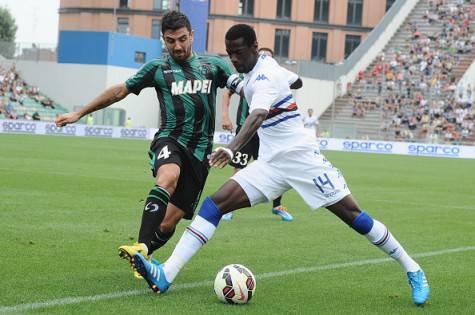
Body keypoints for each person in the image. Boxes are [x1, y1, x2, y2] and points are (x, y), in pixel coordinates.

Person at [132, 24, 430, 306]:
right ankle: (166, 274)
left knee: (355, 216)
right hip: (271, 164)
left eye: (240, 52)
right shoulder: (262, 69)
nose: (235, 59)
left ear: (254, 48)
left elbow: (258, 114)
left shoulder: (264, 77)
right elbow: (295, 80)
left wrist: (232, 147)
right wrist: (288, 84)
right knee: (214, 205)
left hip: (302, 158)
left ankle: (413, 268)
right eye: (230, 53)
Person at [55, 11, 242, 279]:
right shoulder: (157, 69)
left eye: (181, 39)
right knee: (168, 177)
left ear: (192, 35)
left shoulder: (213, 65)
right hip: (170, 140)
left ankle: (146, 255)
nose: (176, 46)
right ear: (163, 39)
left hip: (201, 153)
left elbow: (241, 86)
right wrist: (80, 113)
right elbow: (120, 91)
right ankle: (141, 248)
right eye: (170, 40)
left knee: (169, 223)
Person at [220, 47, 296, 222]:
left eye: (267, 57)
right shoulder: (246, 76)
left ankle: (277, 206)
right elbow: (227, 94)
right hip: (246, 130)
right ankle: (228, 207)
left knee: (277, 166)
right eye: (262, 55)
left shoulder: (276, 78)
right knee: (238, 167)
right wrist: (225, 115)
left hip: (268, 131)